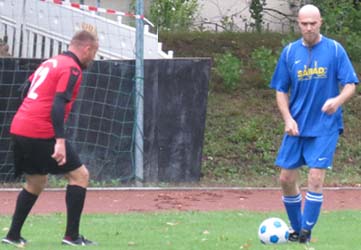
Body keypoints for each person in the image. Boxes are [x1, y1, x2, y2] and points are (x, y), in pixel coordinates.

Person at [270, 4, 359, 244]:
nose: (308, 28)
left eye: (313, 23)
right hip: (296, 126)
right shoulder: (289, 53)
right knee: (286, 179)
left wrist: (337, 100)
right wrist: (288, 118)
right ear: (298, 24)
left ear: (320, 22)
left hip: (324, 126)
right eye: (304, 23)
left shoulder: (335, 50)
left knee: (315, 177)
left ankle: (306, 232)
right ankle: (297, 230)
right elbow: (280, 89)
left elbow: (350, 84)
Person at [2, 30, 99, 247]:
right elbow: (57, 106)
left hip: (20, 126)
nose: (92, 58)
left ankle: (12, 236)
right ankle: (72, 237)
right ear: (87, 49)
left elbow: (23, 90)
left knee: (36, 181)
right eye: (94, 53)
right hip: (39, 130)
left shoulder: (50, 62)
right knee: (80, 175)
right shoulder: (72, 69)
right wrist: (60, 141)